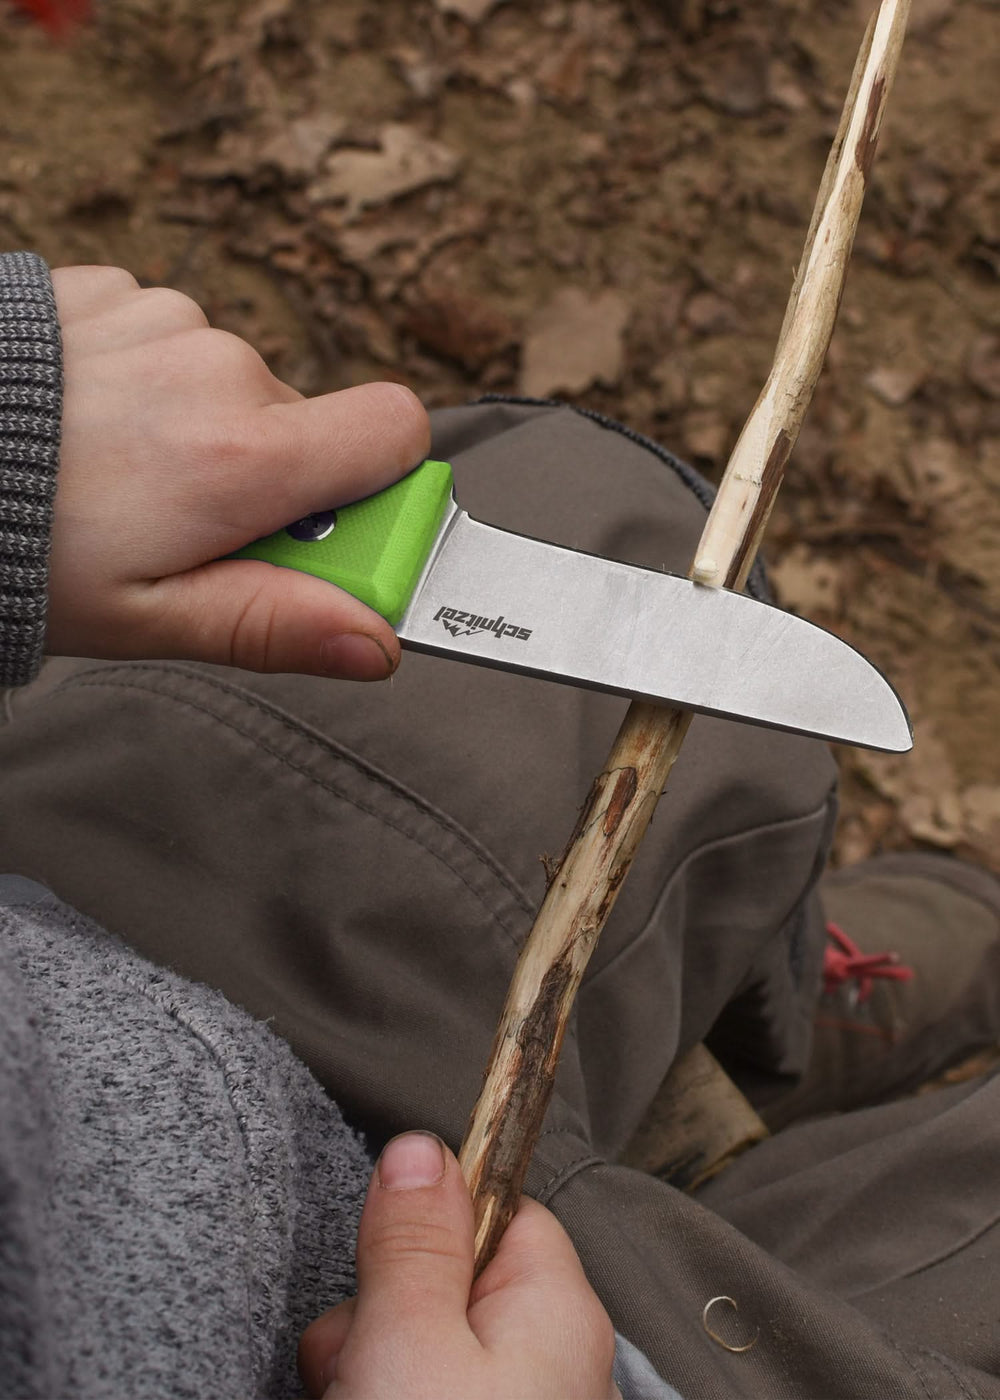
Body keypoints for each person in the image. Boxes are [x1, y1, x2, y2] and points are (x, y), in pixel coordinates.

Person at [2, 249, 999, 1399]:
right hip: (404, 1321)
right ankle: (693, 1141)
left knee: (591, 495)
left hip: (88, 935)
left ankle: (724, 1027)